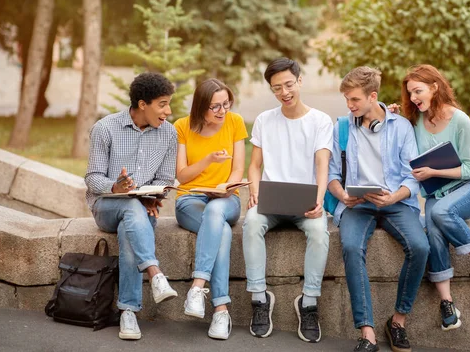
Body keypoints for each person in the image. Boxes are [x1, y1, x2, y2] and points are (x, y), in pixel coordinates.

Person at [327, 66, 429, 352]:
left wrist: (394, 197)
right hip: (358, 205)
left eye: (355, 100)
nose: (350, 106)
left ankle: (397, 322)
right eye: (347, 99)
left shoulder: (401, 127)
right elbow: (331, 175)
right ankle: (367, 332)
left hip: (396, 203)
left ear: (373, 97)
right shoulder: (343, 128)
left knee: (420, 247)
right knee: (350, 247)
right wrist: (343, 196)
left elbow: (413, 175)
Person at [400, 64, 470, 331]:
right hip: (437, 193)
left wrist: (433, 170)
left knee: (439, 213)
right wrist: (390, 114)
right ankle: (447, 303)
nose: (413, 98)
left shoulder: (460, 120)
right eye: (410, 93)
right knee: (432, 227)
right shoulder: (415, 121)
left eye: (418, 91)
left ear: (435, 87)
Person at [243, 57, 332, 343]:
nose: (284, 92)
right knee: (251, 222)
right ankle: (259, 298)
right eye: (277, 88)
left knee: (320, 233)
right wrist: (254, 193)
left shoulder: (320, 121)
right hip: (271, 201)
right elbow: (254, 165)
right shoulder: (264, 120)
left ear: (299, 81)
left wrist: (319, 201)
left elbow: (322, 165)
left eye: (289, 84)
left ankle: (308, 303)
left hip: (305, 204)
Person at [85, 72, 179, 341]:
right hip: (106, 206)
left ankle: (128, 313)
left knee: (132, 218)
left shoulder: (169, 134)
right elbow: (92, 178)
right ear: (142, 104)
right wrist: (116, 188)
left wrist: (152, 195)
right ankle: (155, 273)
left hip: (140, 210)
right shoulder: (105, 128)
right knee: (128, 207)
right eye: (162, 104)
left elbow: (164, 179)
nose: (168, 111)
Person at [174, 78, 248, 340]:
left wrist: (227, 185)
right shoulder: (182, 126)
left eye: (225, 104)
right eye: (215, 106)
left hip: (226, 198)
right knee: (223, 233)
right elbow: (182, 177)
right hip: (190, 200)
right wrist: (208, 160)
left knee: (216, 211)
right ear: (201, 107)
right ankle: (220, 310)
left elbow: (239, 168)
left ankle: (197, 287)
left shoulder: (235, 122)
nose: (222, 111)